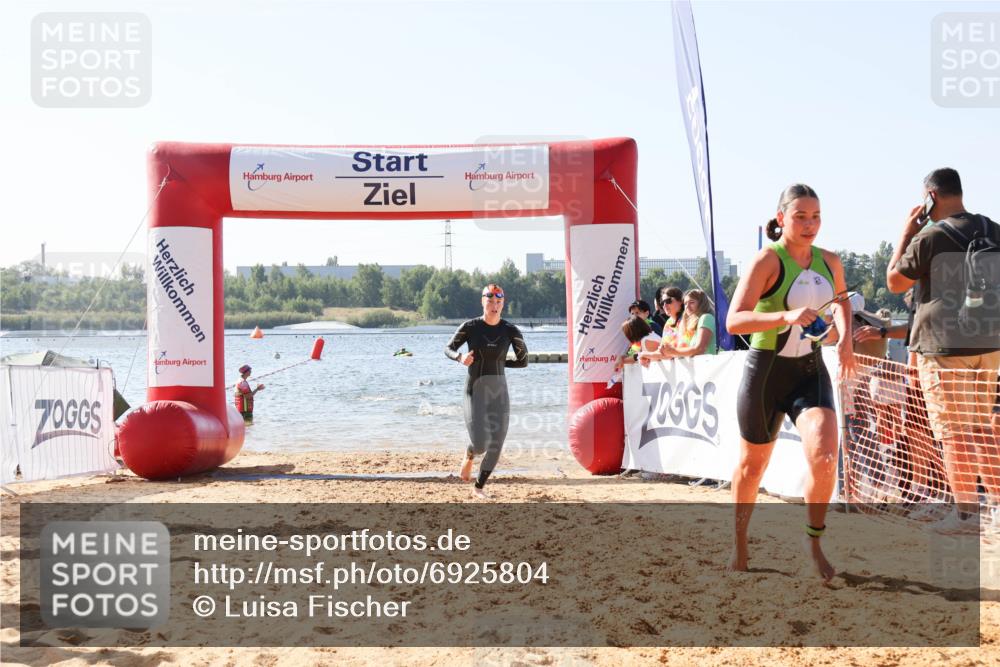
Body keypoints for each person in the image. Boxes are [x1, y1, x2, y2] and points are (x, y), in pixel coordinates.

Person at [725, 183, 855, 582]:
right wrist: (784, 316)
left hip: (808, 372)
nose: (810, 224)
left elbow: (843, 301)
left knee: (825, 454)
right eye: (800, 216)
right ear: (781, 219)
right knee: (751, 467)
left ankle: (813, 543)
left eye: (816, 216)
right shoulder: (767, 260)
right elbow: (734, 321)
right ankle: (740, 542)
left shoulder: (829, 261)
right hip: (765, 372)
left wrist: (846, 341)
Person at [886, 167, 1000, 534]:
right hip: (990, 341)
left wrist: (907, 231)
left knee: (954, 432)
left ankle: (966, 515)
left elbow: (894, 281)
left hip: (945, 345)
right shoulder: (992, 229)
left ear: (930, 197)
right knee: (984, 428)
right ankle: (997, 510)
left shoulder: (930, 236)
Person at [445, 284, 528, 500]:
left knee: (497, 443)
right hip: (474, 391)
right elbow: (448, 348)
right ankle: (470, 453)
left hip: (499, 393)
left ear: (503, 304)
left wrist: (499, 362)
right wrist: (460, 358)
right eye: (490, 301)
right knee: (481, 443)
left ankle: (479, 487)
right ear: (483, 302)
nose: (494, 305)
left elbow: (523, 361)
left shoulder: (511, 331)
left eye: (498, 302)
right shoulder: (470, 327)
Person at [661, 289, 717, 358]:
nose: (687, 306)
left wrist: (673, 351)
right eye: (685, 303)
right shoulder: (690, 323)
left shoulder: (706, 317)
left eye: (692, 302)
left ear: (701, 303)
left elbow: (700, 349)